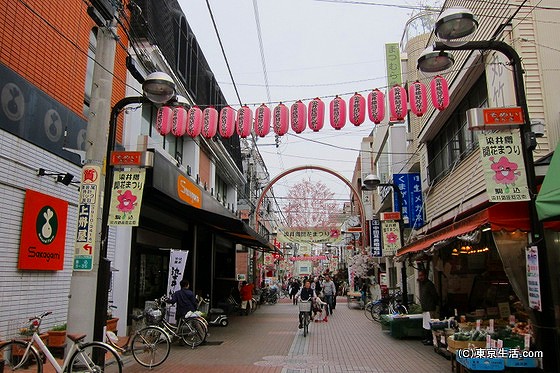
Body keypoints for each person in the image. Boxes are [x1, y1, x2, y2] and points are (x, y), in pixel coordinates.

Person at [418, 269, 439, 345]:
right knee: (426, 325)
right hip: (425, 308)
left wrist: (435, 304)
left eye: (421, 275)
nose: (420, 277)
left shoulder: (429, 284)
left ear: (425, 276)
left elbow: (434, 295)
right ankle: (427, 338)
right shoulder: (423, 285)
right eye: (419, 275)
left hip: (430, 308)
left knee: (430, 324)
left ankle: (431, 339)